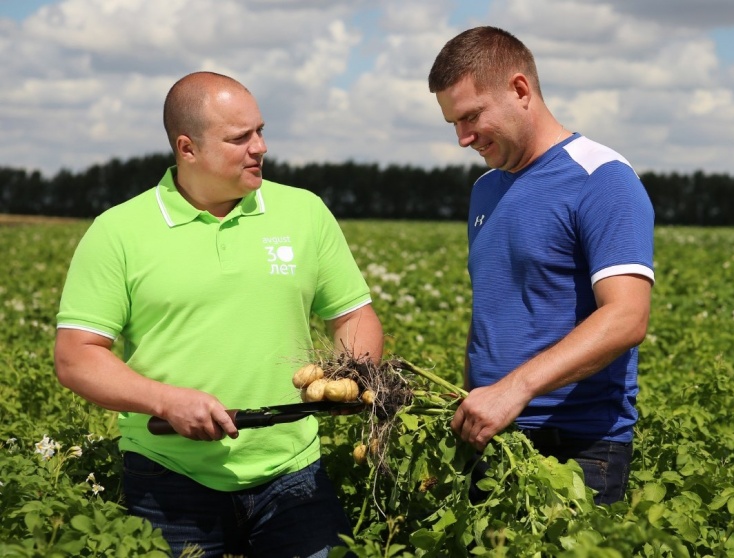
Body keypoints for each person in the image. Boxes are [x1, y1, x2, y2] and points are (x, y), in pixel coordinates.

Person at [54, 71, 384, 557]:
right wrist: (166, 401)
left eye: (260, 130)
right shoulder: (118, 231)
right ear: (187, 149)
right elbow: (76, 357)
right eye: (239, 138)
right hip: (168, 479)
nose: (261, 147)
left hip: (294, 475)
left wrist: (347, 374)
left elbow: (354, 315)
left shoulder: (304, 212)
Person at [428, 27, 654, 505]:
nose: (463, 138)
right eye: (453, 122)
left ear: (519, 90)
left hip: (578, 448)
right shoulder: (485, 189)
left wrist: (514, 390)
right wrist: (474, 398)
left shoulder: (602, 178)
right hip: (492, 436)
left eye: (470, 117)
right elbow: (492, 308)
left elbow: (627, 317)